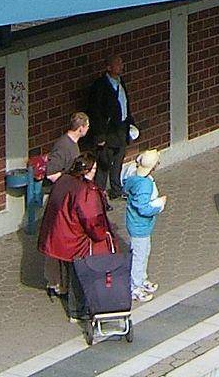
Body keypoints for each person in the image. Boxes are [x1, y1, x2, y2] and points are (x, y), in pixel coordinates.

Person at [37, 154, 115, 317]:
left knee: (64, 268)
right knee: (78, 276)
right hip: (74, 239)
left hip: (58, 233)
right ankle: (76, 311)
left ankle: (62, 291)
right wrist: (101, 234)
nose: (95, 172)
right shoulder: (85, 191)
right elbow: (90, 220)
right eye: (94, 169)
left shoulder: (64, 181)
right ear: (87, 171)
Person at [119, 147, 168, 302]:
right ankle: (135, 287)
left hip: (136, 223)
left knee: (143, 252)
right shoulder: (144, 184)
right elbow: (144, 208)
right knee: (139, 256)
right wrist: (159, 205)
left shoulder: (134, 178)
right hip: (140, 225)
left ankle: (142, 278)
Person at [83, 54, 135, 198]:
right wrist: (100, 136)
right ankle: (99, 196)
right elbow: (95, 112)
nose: (121, 66)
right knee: (104, 165)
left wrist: (131, 124)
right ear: (108, 67)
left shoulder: (120, 81)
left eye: (121, 63)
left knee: (118, 161)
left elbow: (124, 105)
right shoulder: (100, 86)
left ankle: (116, 189)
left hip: (122, 129)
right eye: (117, 64)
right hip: (108, 132)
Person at [45, 112, 88, 184]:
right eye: (87, 126)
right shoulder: (63, 146)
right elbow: (51, 174)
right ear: (81, 128)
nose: (88, 128)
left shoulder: (73, 143)